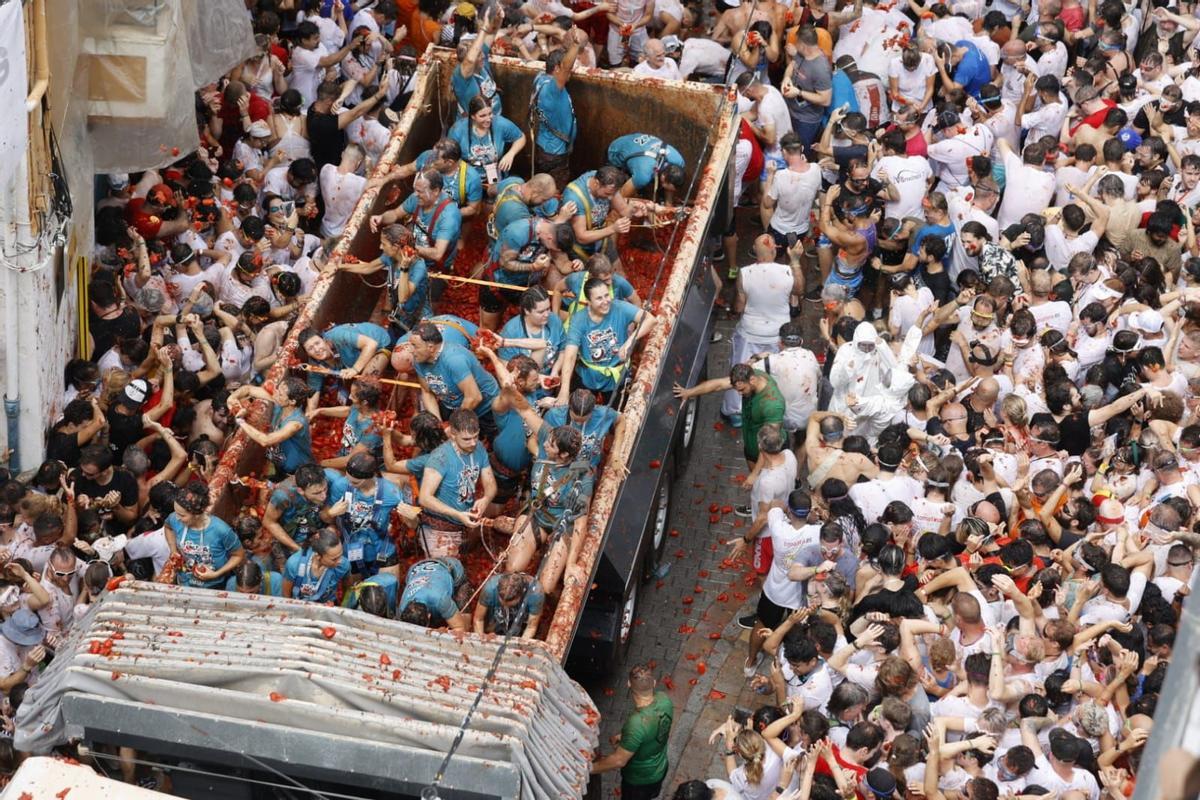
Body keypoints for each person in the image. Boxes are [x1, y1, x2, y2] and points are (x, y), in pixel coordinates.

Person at [558, 277, 658, 403]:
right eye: (599, 298)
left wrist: (629, 342)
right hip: (588, 376)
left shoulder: (619, 307)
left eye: (607, 295)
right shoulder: (579, 319)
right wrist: (564, 390)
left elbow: (651, 320)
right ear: (588, 301)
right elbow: (570, 355)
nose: (605, 301)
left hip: (616, 376)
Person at [591, 663, 674, 799]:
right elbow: (659, 725)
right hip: (660, 769)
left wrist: (589, 769)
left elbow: (618, 761)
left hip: (639, 782)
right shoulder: (664, 700)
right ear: (653, 683)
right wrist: (625, 737)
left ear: (628, 684)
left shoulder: (636, 723)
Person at [531, 28, 588, 188]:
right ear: (557, 69)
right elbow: (564, 68)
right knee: (552, 191)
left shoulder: (540, 78)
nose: (570, 72)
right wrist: (575, 46)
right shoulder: (552, 90)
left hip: (543, 147)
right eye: (567, 69)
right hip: (554, 153)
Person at [397, 556, 471, 631]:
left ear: (429, 616)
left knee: (463, 615)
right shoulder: (402, 608)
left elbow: (459, 628)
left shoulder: (441, 600)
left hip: (451, 567)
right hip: (417, 569)